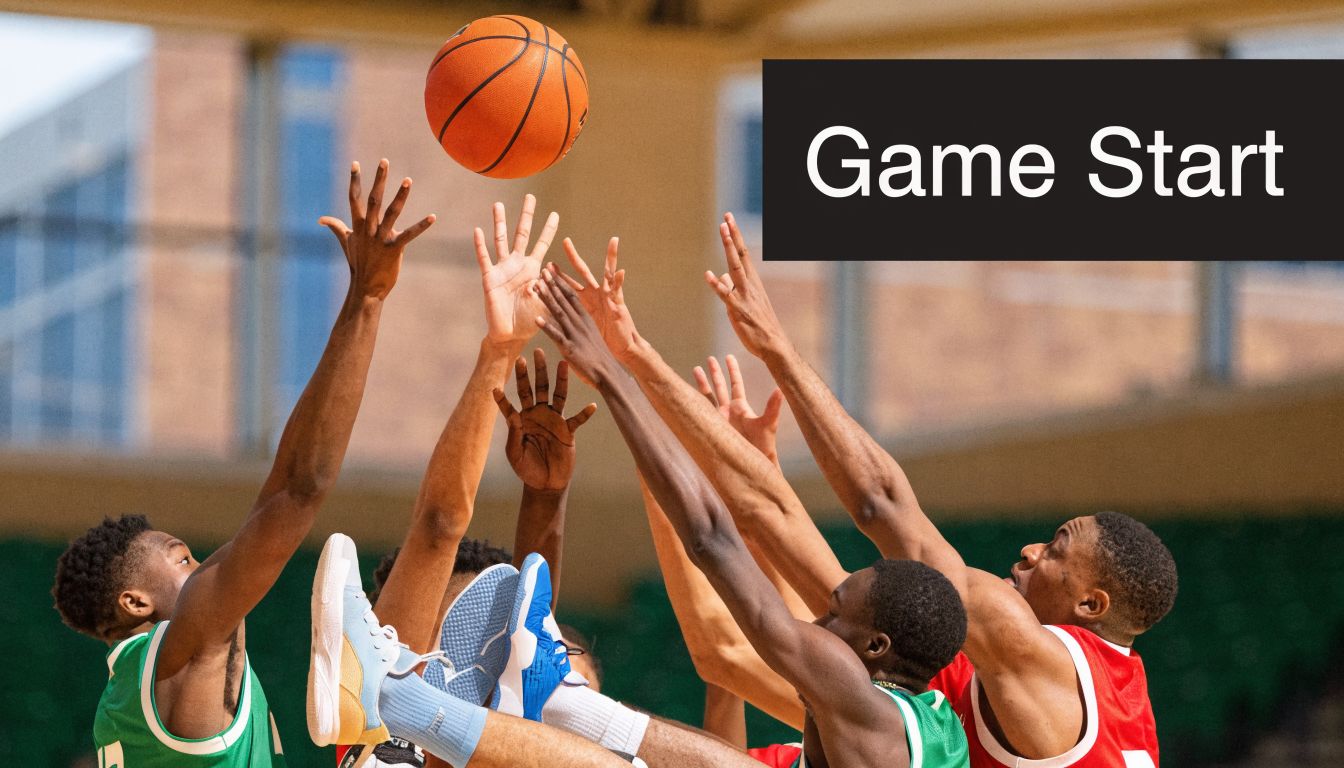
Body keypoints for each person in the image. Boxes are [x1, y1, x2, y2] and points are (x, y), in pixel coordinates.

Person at [702, 212, 1178, 767]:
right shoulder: (1067, 686)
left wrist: (777, 351)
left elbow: (880, 505)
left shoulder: (1026, 652)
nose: (1029, 550)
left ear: (1090, 604)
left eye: (1055, 551)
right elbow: (838, 593)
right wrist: (754, 467)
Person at [51, 159, 434, 766]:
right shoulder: (181, 653)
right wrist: (367, 299)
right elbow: (298, 489)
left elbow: (284, 491)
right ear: (134, 603)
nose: (205, 564)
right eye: (182, 559)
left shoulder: (124, 702)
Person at [532, 268, 971, 768]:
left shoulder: (855, 697)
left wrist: (612, 376)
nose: (817, 623)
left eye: (833, 611)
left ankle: (513, 705)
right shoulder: (939, 722)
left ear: (875, 645)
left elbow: (712, 540)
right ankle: (559, 704)